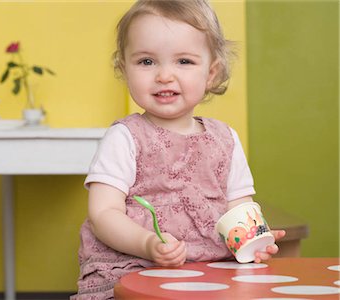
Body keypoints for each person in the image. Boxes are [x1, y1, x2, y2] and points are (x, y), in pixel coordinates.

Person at [73, 0, 286, 299]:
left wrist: (253, 237)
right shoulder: (125, 137)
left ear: (211, 73)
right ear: (124, 69)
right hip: (136, 267)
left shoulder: (225, 139)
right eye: (146, 61)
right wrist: (147, 243)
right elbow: (103, 212)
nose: (164, 75)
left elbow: (239, 206)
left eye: (183, 61)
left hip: (211, 267)